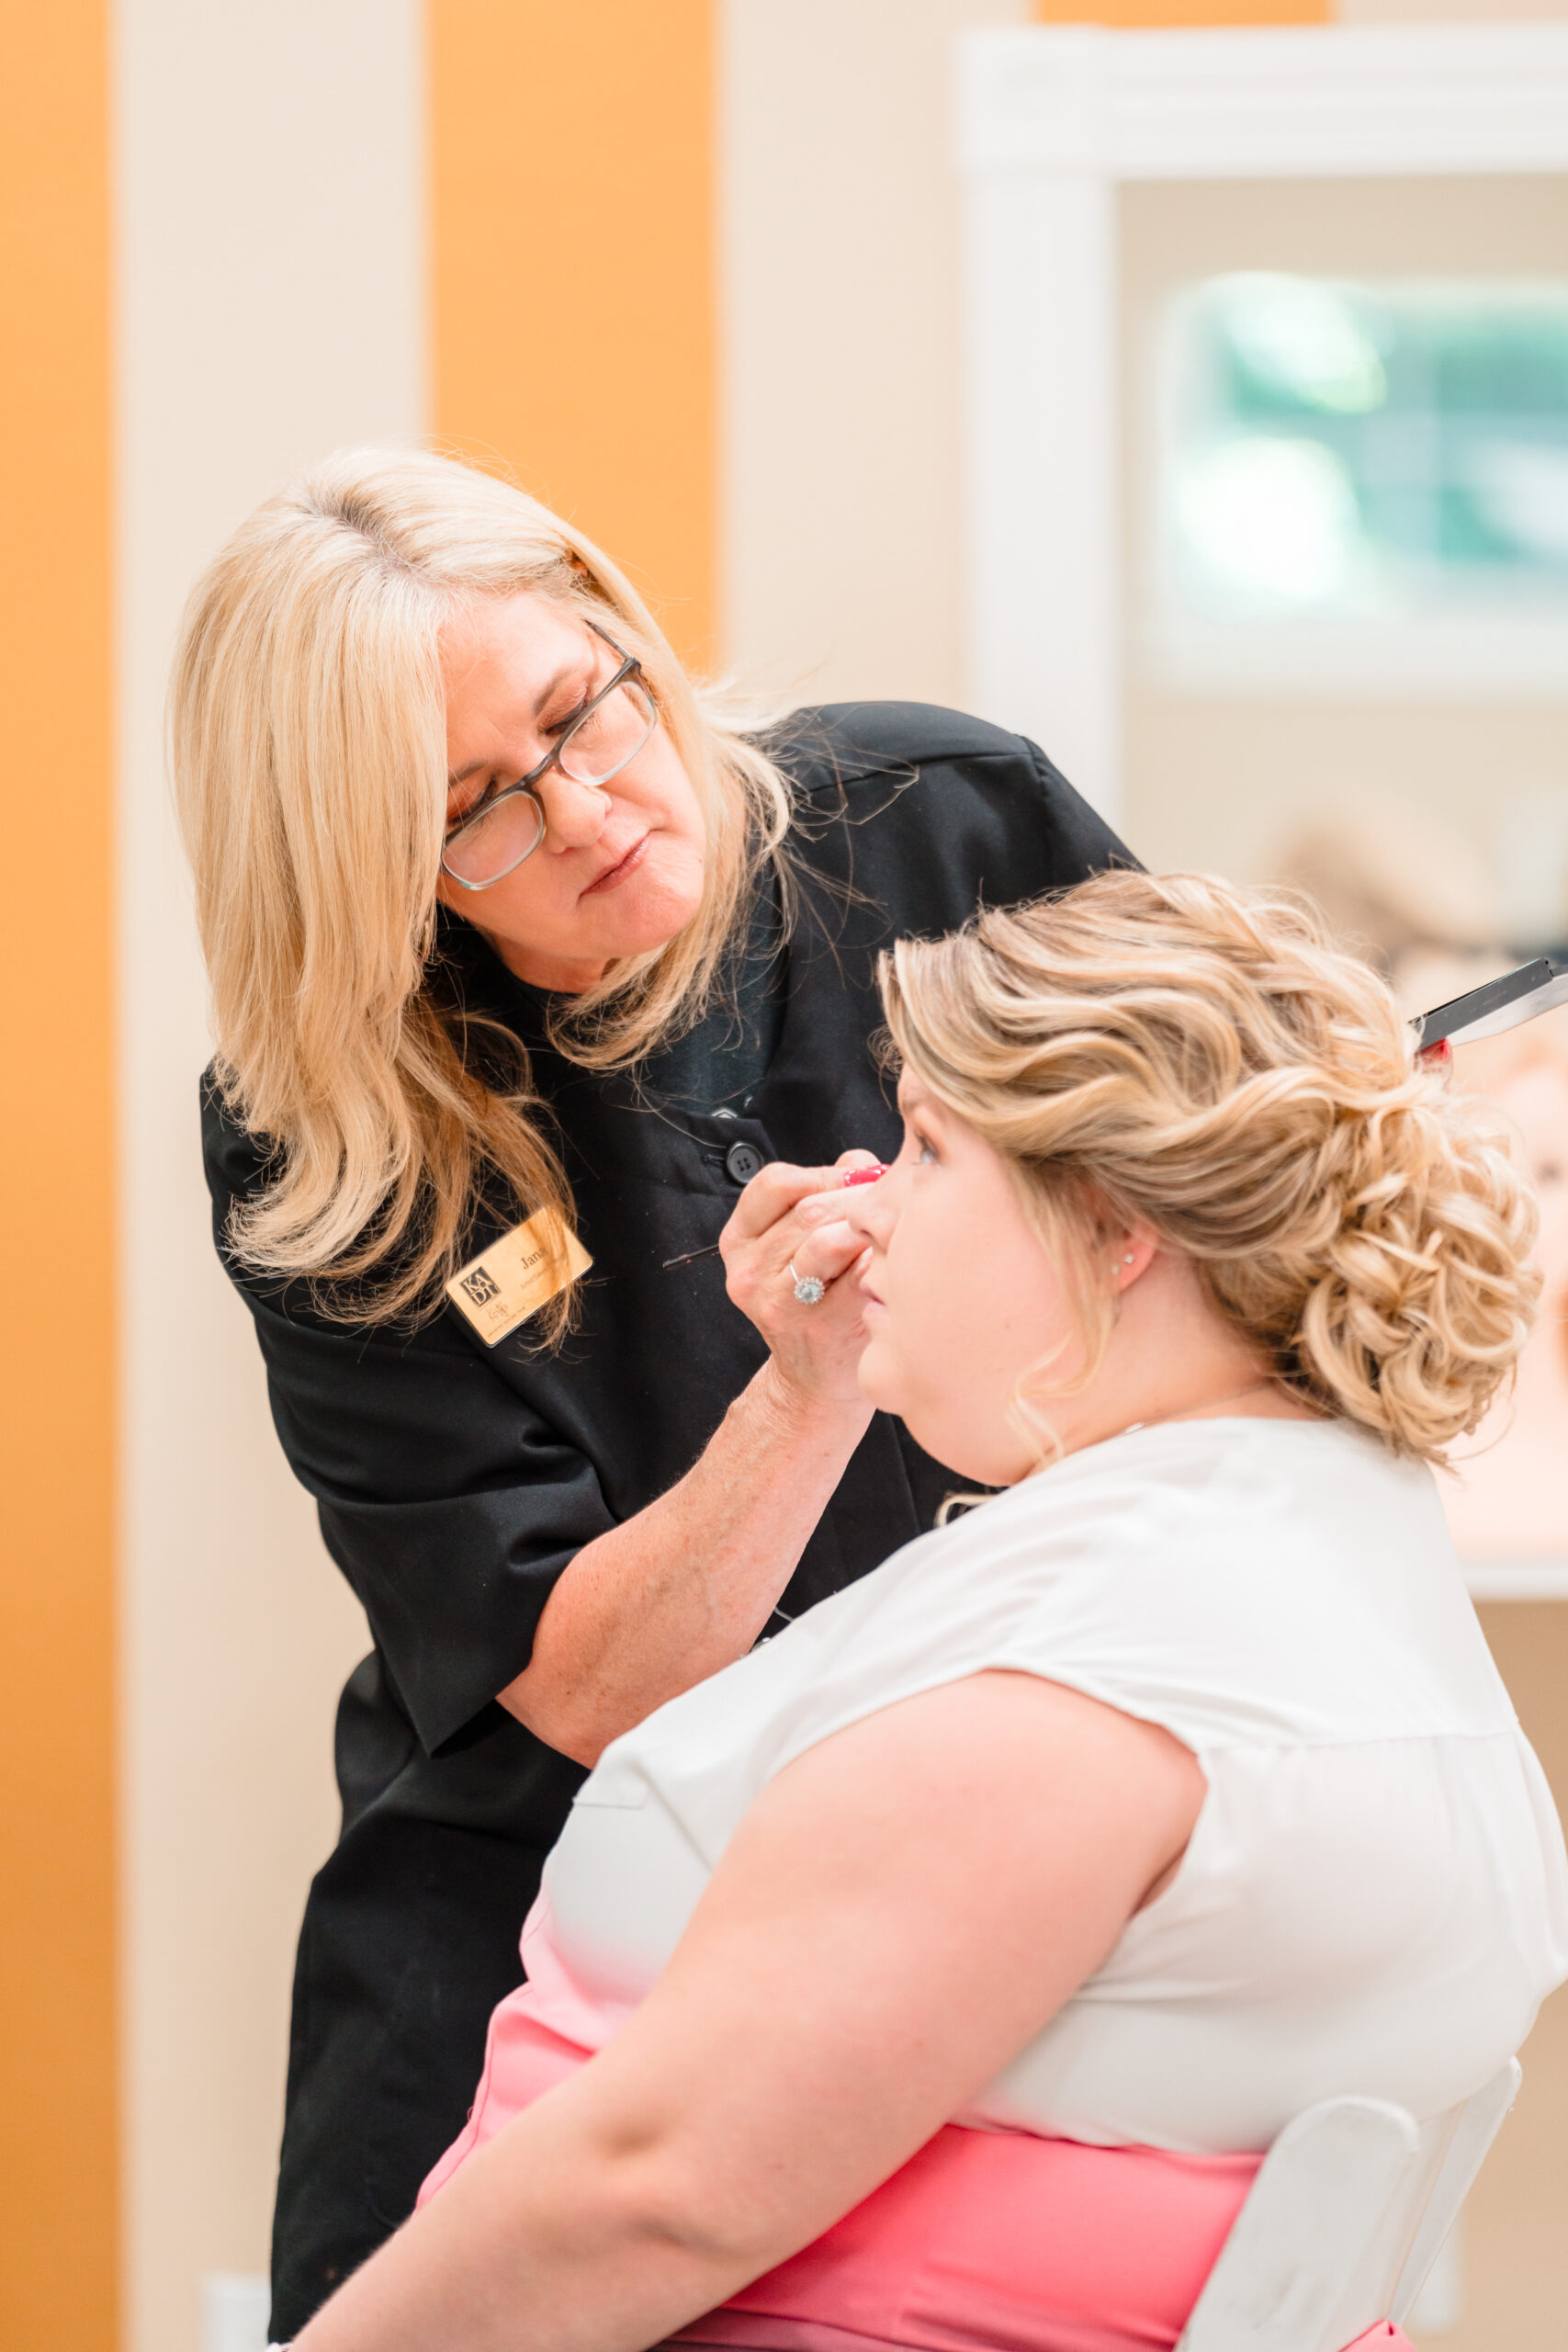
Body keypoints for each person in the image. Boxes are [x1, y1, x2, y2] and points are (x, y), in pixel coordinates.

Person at [280, 869, 1568, 2352]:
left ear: (1110, 1228)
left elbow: (653, 2191)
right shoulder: (1310, 1548)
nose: (868, 1198)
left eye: (927, 1147)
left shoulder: (1101, 1661)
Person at [172, 446, 1131, 2337]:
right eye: (478, 812)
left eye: (574, 705)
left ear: (615, 622)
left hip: (942, 1842)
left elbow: (1224, 1210)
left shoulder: (947, 825)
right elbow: (587, 1680)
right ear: (384, 881)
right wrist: (812, 1382)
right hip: (534, 1904)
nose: (589, 804)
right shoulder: (333, 1132)